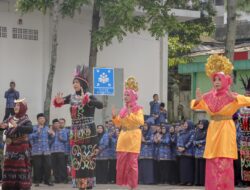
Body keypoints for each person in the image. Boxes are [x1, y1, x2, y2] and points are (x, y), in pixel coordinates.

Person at [190, 54, 250, 190]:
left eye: (219, 79)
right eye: (214, 79)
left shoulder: (232, 96)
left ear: (226, 80)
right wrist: (198, 100)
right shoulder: (208, 96)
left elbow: (248, 100)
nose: (216, 81)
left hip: (226, 129)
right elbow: (195, 105)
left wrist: (235, 99)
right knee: (212, 160)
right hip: (213, 129)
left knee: (224, 160)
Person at [53, 65, 103, 189]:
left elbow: (100, 105)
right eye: (73, 82)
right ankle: (81, 186)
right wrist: (58, 101)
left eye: (76, 82)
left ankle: (88, 186)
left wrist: (88, 101)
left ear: (82, 83)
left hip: (88, 133)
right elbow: (61, 101)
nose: (74, 84)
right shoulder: (71, 97)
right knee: (77, 160)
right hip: (75, 134)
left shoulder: (88, 95)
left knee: (87, 160)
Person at [112, 76, 144, 190]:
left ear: (133, 96)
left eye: (127, 95)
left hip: (133, 138)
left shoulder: (138, 109)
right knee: (121, 164)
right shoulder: (123, 109)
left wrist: (130, 114)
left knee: (132, 164)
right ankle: (124, 184)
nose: (125, 97)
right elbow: (118, 124)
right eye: (125, 95)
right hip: (123, 137)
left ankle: (133, 186)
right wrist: (115, 117)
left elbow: (140, 121)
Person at [0, 99, 33, 190]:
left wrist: (17, 126)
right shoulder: (10, 118)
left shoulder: (25, 119)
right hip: (10, 148)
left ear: (23, 108)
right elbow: (4, 126)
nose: (16, 107)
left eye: (18, 106)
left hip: (21, 149)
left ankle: (21, 186)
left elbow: (30, 129)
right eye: (15, 106)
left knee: (20, 168)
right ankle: (9, 186)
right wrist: (1, 127)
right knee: (9, 166)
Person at [29, 113, 54, 186]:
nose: (42, 120)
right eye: (40, 118)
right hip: (36, 151)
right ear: (37, 120)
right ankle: (37, 181)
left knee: (48, 166)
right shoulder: (33, 128)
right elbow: (30, 137)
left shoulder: (47, 128)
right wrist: (37, 133)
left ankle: (47, 180)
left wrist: (52, 135)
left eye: (43, 118)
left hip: (46, 150)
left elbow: (50, 140)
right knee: (37, 166)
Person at [237, 75, 250, 185]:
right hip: (243, 139)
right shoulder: (240, 109)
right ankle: (245, 180)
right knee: (244, 161)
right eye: (246, 95)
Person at [50, 118, 68, 184]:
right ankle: (57, 179)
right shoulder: (51, 131)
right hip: (53, 150)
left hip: (61, 150)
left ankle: (64, 179)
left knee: (62, 165)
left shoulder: (63, 131)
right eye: (55, 123)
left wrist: (61, 138)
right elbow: (49, 141)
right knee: (54, 166)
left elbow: (65, 139)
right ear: (53, 124)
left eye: (58, 123)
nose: (57, 124)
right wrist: (52, 136)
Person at [177, 120, 194, 186]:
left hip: (188, 152)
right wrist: (179, 147)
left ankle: (189, 181)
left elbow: (191, 141)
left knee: (188, 167)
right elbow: (178, 140)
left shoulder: (192, 132)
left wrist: (185, 147)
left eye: (186, 124)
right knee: (182, 167)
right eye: (184, 124)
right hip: (181, 152)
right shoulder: (182, 132)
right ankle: (183, 180)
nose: (185, 125)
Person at [193, 120, 208, 186]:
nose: (200, 125)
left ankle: (203, 182)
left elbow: (207, 140)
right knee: (197, 167)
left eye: (202, 124)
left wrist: (199, 142)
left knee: (202, 167)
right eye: (199, 124)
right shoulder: (197, 131)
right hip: (197, 152)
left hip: (203, 151)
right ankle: (197, 182)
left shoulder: (207, 131)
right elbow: (193, 140)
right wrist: (197, 143)